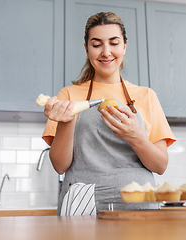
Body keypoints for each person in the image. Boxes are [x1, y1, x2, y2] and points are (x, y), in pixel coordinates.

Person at [42, 12, 175, 215]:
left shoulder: (146, 96)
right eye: (96, 45)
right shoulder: (68, 95)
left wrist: (136, 137)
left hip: (138, 205)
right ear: (86, 49)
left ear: (124, 46)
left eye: (114, 43)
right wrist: (66, 121)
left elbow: (160, 166)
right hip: (81, 206)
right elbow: (60, 166)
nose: (106, 52)